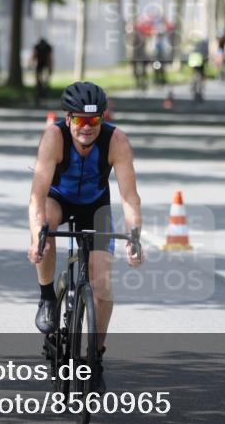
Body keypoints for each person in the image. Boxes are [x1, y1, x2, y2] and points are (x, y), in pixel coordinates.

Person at [28, 82, 143, 392]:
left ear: (102, 120)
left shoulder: (116, 140)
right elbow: (37, 197)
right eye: (80, 120)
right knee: (46, 231)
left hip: (96, 206)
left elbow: (130, 199)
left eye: (94, 121)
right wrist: (37, 235)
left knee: (102, 282)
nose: (87, 128)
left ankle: (96, 356)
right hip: (59, 201)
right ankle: (47, 298)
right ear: (69, 120)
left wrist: (134, 237)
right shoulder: (54, 137)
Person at [32, 37, 53, 105]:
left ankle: (42, 92)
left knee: (41, 80)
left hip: (41, 64)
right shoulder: (47, 47)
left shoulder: (38, 47)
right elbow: (49, 57)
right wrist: (50, 67)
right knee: (43, 80)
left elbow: (34, 56)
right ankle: (42, 92)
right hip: (42, 64)